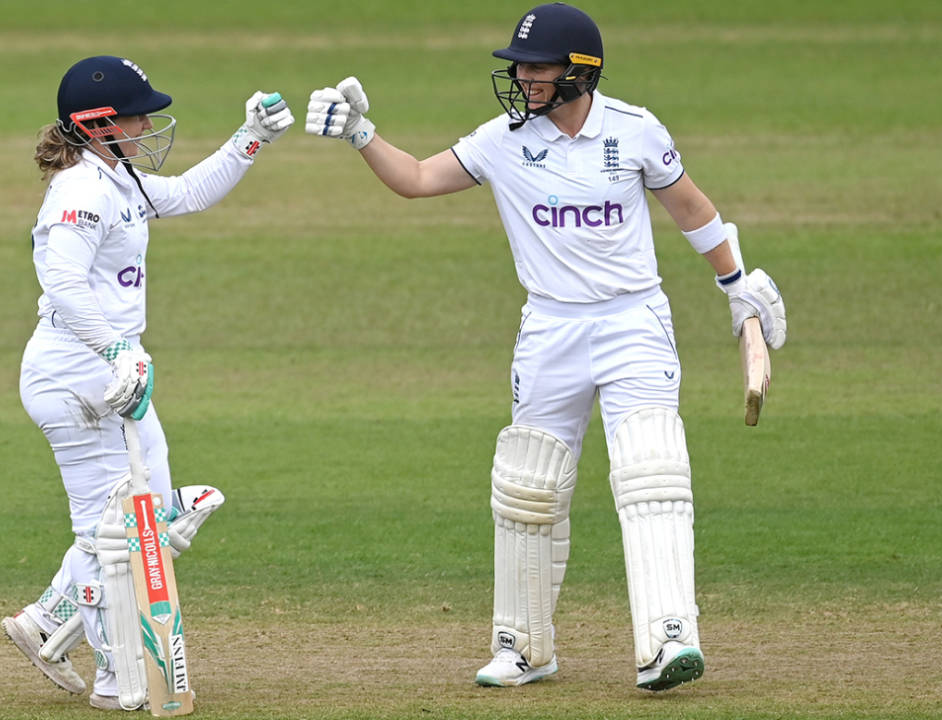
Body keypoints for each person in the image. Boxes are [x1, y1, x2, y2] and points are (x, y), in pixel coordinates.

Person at [305, 3, 785, 692]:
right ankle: (524, 647)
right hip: (551, 328)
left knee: (652, 471)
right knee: (528, 485)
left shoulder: (635, 130)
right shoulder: (502, 140)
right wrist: (360, 134)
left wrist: (737, 283)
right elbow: (414, 179)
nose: (523, 78)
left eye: (537, 67)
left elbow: (690, 208)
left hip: (632, 324)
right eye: (520, 66)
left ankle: (668, 638)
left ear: (578, 73)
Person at [0, 55, 294, 711]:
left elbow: (187, 193)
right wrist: (113, 349)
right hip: (79, 371)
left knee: (152, 517)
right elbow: (64, 285)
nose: (150, 124)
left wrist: (252, 137)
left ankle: (47, 619)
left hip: (115, 367)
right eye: (139, 115)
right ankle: (115, 677)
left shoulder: (119, 177)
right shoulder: (80, 192)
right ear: (99, 124)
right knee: (113, 532)